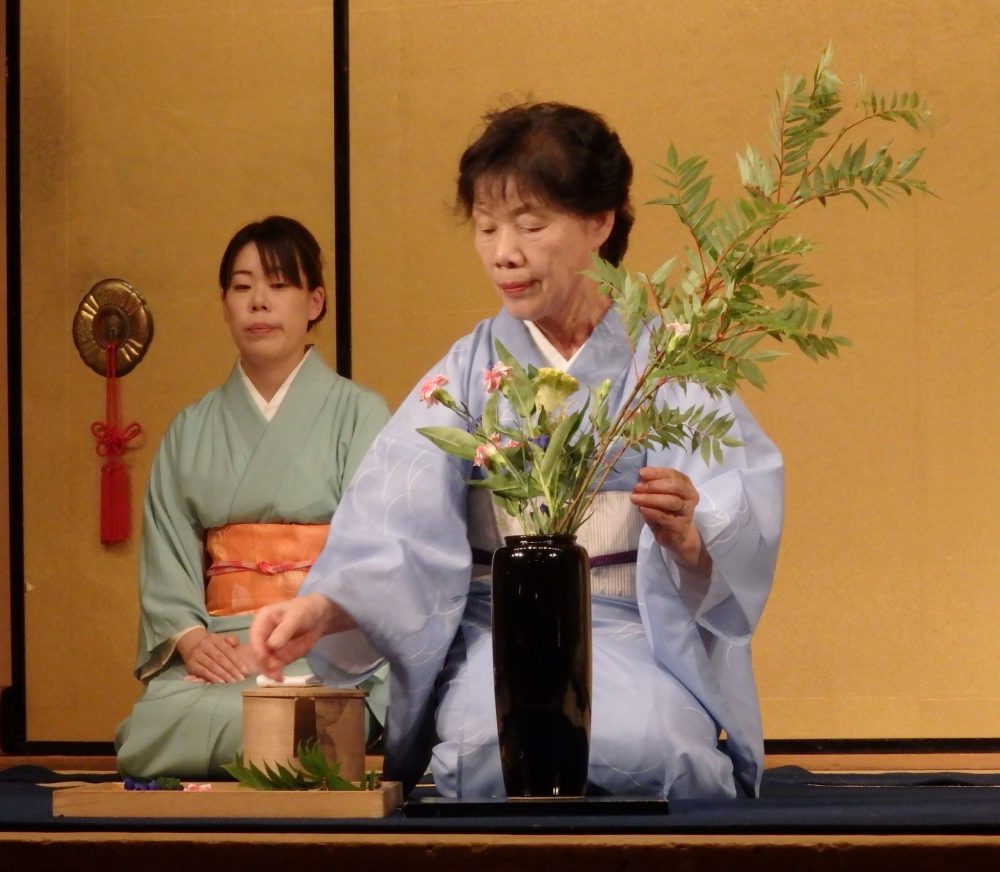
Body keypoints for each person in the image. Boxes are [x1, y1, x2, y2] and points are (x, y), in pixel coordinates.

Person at [250, 104, 784, 800]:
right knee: (483, 757)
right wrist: (322, 607)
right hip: (500, 637)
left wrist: (692, 531)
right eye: (486, 226)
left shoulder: (666, 363)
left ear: (601, 223)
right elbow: (394, 522)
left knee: (661, 752)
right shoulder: (469, 370)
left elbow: (738, 505)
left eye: (531, 226)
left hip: (632, 628)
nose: (504, 251)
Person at [116, 216, 391, 779]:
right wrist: (191, 639)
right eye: (242, 288)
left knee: (313, 716)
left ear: (314, 301)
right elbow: (169, 554)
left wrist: (308, 627)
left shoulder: (360, 415)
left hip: (323, 644)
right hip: (220, 653)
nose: (258, 303)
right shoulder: (191, 428)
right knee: (153, 728)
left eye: (278, 285)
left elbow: (375, 552)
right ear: (224, 304)